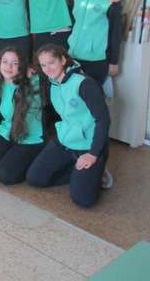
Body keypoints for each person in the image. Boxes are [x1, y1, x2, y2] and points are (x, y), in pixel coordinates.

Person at [27, 45, 110, 208]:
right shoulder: (52, 82)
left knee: (82, 199)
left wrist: (93, 154)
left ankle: (97, 172)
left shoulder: (85, 84)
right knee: (35, 178)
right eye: (43, 65)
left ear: (63, 60)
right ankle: (78, 173)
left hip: (88, 145)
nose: (47, 69)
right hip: (65, 140)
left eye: (51, 62)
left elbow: (103, 120)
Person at [0, 47, 45, 184]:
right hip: (7, 132)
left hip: (28, 138)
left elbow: (47, 76)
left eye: (15, 63)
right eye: (5, 62)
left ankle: (35, 160)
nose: (8, 67)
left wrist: (32, 73)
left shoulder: (32, 83)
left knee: (4, 175)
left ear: (22, 66)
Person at [68, 0, 122, 85]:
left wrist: (114, 62)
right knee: (73, 94)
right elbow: (73, 25)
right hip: (73, 57)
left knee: (92, 95)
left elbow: (115, 32)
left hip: (96, 61)